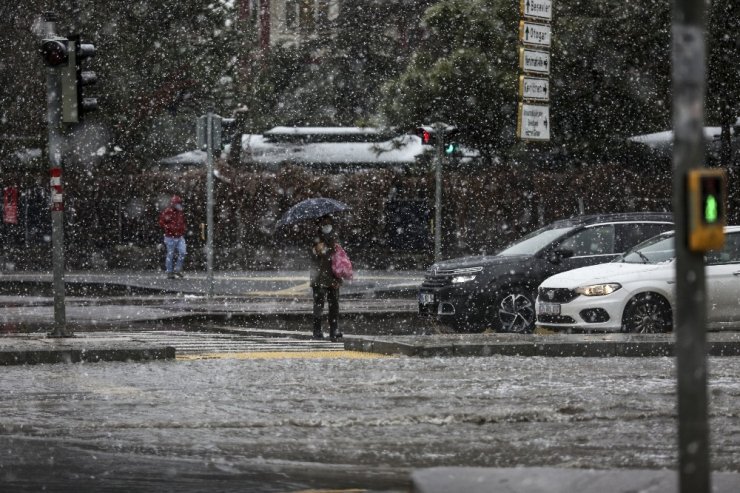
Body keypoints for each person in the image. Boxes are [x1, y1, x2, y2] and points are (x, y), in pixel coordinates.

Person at [310, 215, 343, 341]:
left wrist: (339, 278)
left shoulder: (335, 238)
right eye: (324, 224)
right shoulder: (316, 239)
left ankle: (334, 329)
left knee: (334, 304)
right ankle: (317, 330)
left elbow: (340, 259)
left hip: (333, 276)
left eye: (329, 223)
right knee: (319, 305)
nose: (327, 226)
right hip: (319, 278)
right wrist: (318, 248)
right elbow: (316, 255)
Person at [158, 195, 187, 279]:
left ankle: (177, 270)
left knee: (182, 252)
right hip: (170, 236)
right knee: (170, 254)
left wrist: (181, 229)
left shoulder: (179, 212)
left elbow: (181, 222)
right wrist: (169, 228)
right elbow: (161, 222)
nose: (179, 205)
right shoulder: (168, 211)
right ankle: (170, 271)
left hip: (178, 236)